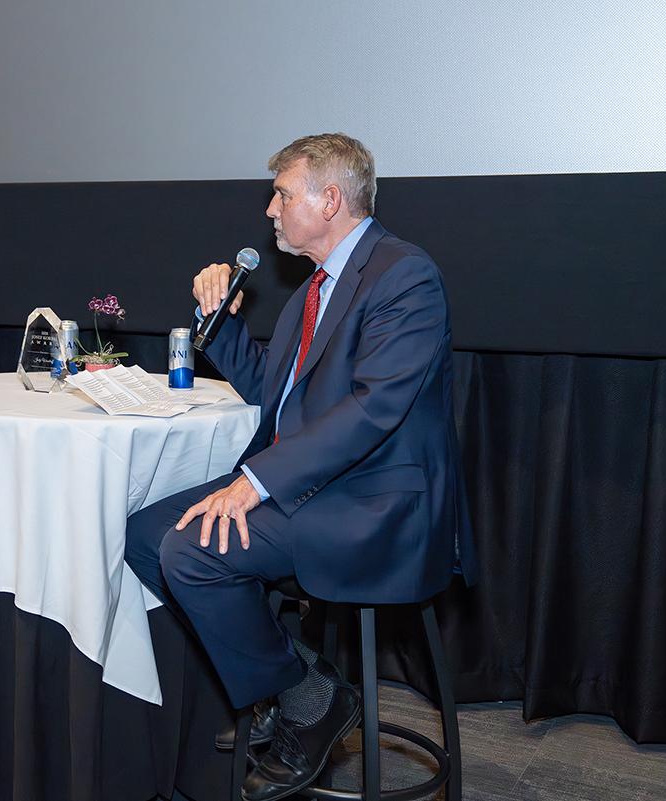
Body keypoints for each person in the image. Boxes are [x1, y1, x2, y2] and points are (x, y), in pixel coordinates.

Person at [124, 134, 476, 801]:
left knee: (194, 552)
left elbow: (375, 409)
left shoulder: (404, 275)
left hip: (378, 505)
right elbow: (271, 392)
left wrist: (256, 483)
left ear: (331, 198)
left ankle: (298, 701)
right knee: (145, 535)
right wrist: (218, 319)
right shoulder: (311, 289)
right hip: (312, 488)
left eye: (283, 193)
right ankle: (302, 689)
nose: (271, 209)